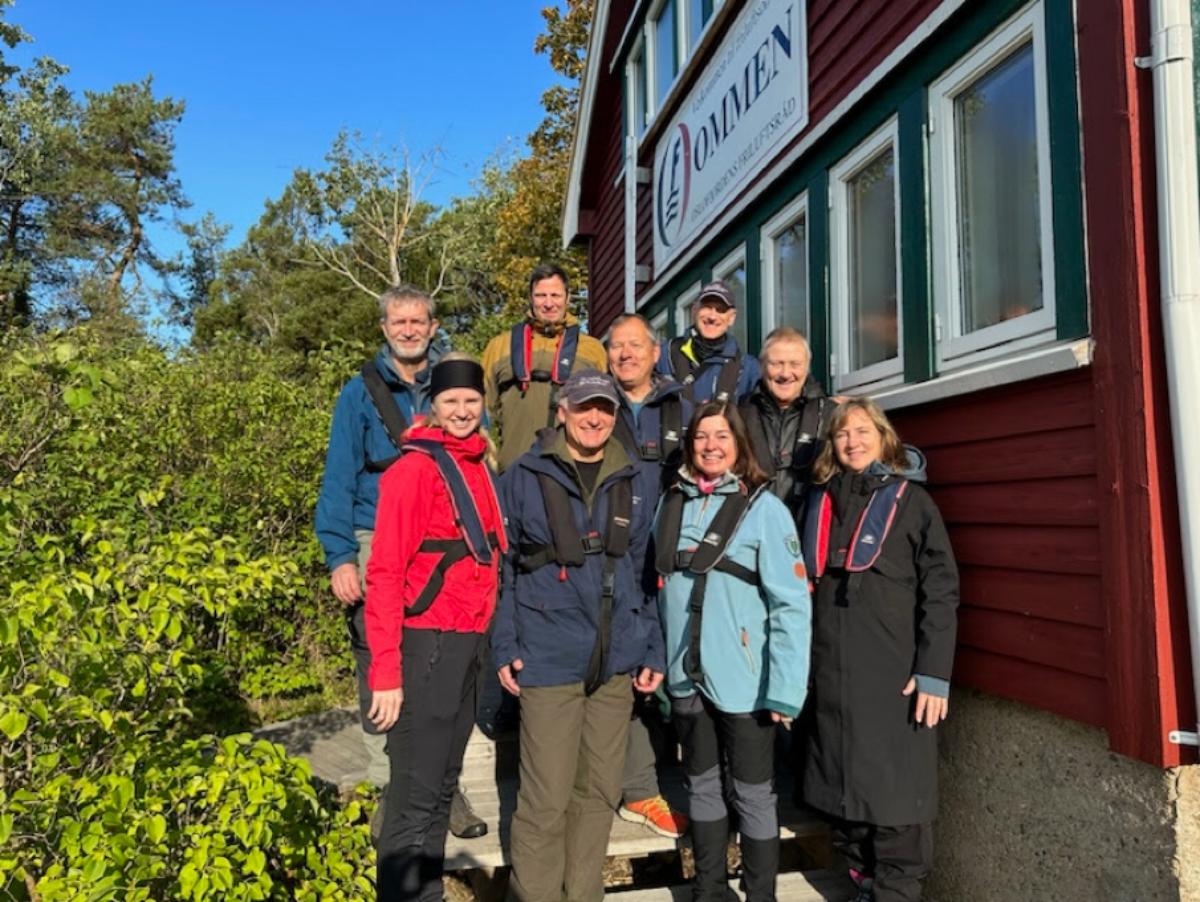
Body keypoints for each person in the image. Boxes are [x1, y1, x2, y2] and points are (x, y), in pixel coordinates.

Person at [314, 286, 487, 840]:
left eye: (418, 321)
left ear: (433, 326)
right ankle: (391, 783)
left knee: (444, 665)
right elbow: (338, 477)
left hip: (443, 541)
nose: (408, 329)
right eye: (398, 321)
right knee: (378, 654)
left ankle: (445, 784)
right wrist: (341, 555)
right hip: (374, 534)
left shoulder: (452, 387)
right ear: (384, 327)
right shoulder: (360, 394)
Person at [493, 369, 666, 902]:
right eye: (585, 406)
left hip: (616, 660)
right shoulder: (523, 474)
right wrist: (504, 643)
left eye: (606, 409)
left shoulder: (635, 478)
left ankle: (583, 893)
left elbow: (645, 570)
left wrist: (653, 645)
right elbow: (504, 568)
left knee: (597, 793)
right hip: (548, 656)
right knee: (545, 799)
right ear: (562, 410)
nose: (595, 418)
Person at [800, 398, 959, 902]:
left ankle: (896, 891)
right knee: (844, 791)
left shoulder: (912, 503)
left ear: (884, 436)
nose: (853, 441)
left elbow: (941, 591)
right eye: (843, 433)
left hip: (896, 676)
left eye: (862, 430)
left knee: (896, 800)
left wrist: (933, 672)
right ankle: (861, 881)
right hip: (832, 675)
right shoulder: (818, 501)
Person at [654, 401, 811, 902]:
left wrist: (785, 690)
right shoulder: (671, 502)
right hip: (686, 674)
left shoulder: (765, 509)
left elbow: (791, 606)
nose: (711, 446)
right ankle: (709, 889)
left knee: (752, 792)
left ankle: (760, 895)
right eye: (702, 436)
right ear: (689, 444)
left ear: (740, 445)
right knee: (700, 785)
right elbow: (659, 590)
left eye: (722, 436)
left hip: (746, 681)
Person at [364, 354, 508, 901]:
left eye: (472, 402)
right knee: (413, 799)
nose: (463, 411)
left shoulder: (477, 465)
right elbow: (384, 572)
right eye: (452, 402)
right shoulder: (415, 470)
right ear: (433, 405)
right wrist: (385, 671)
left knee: (445, 788)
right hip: (426, 647)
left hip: (470, 647)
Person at [606, 313, 691, 840]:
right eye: (616, 347)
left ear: (655, 353)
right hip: (613, 556)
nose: (626, 355)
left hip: (673, 556)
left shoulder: (683, 405)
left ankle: (686, 777)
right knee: (624, 664)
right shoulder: (593, 404)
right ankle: (639, 790)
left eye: (635, 346)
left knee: (674, 658)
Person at [482, 262, 608, 471]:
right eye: (541, 296)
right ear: (531, 298)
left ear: (567, 298)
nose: (548, 304)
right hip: (512, 471)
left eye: (555, 295)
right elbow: (481, 414)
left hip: (571, 474)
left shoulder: (592, 350)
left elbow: (605, 414)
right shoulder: (499, 347)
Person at [739, 326, 835, 523]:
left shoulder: (831, 415)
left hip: (810, 530)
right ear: (762, 366)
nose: (785, 373)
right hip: (751, 529)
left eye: (795, 364)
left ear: (807, 366)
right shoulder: (739, 414)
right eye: (777, 363)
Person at [656, 280, 760, 405]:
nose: (712, 316)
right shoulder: (664, 356)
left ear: (731, 318)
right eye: (707, 307)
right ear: (694, 310)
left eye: (720, 310)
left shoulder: (748, 369)